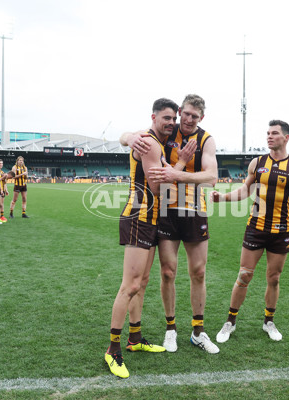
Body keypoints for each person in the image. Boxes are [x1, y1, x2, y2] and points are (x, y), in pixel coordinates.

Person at [121, 94, 220, 354]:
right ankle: (170, 329)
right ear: (179, 111)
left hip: (195, 210)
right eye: (184, 113)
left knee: (198, 272)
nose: (187, 119)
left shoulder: (206, 140)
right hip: (165, 210)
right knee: (168, 272)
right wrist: (129, 137)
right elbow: (135, 135)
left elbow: (211, 177)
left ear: (201, 118)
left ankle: (198, 331)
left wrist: (177, 172)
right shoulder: (168, 128)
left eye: (194, 116)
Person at [212, 120, 289, 344]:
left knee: (273, 278)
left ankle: (268, 321)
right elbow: (244, 191)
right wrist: (223, 198)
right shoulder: (257, 163)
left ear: (286, 137)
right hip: (255, 228)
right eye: (267, 133)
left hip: (281, 230)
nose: (269, 136)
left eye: (274, 133)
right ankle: (230, 321)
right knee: (244, 275)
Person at [105, 98, 178, 379]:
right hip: (139, 217)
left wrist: (127, 136)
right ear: (154, 117)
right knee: (130, 285)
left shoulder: (149, 140)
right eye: (167, 118)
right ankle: (113, 349)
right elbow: (157, 186)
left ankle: (135, 339)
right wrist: (181, 166)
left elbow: (127, 137)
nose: (171, 123)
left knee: (142, 283)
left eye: (174, 118)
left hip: (149, 219)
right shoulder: (150, 143)